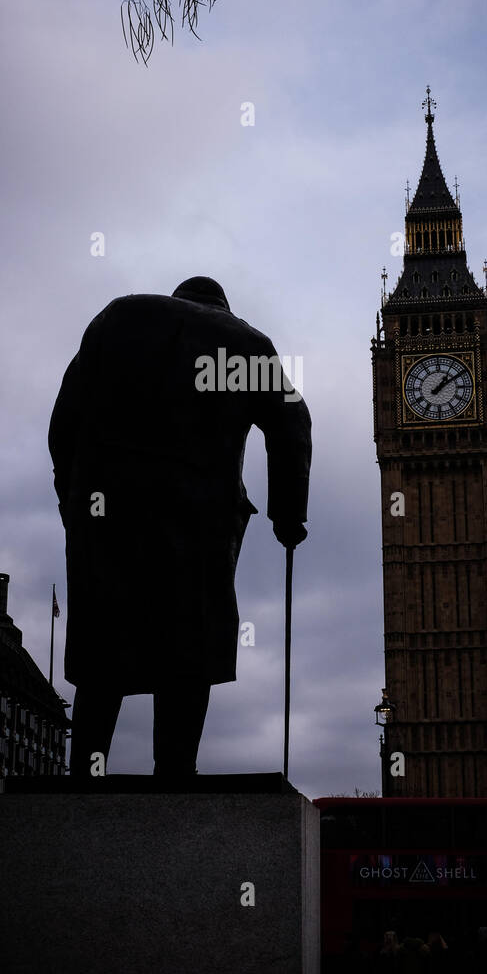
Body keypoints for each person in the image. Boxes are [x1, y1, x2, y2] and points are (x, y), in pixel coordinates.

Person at [48, 277, 311, 782]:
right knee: (188, 648)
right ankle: (174, 779)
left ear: (178, 297)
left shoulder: (116, 317)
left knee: (104, 647)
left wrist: (72, 501)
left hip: (106, 516)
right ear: (221, 304)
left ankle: (84, 776)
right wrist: (287, 513)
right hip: (199, 518)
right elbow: (293, 426)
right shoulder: (245, 342)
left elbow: (64, 423)